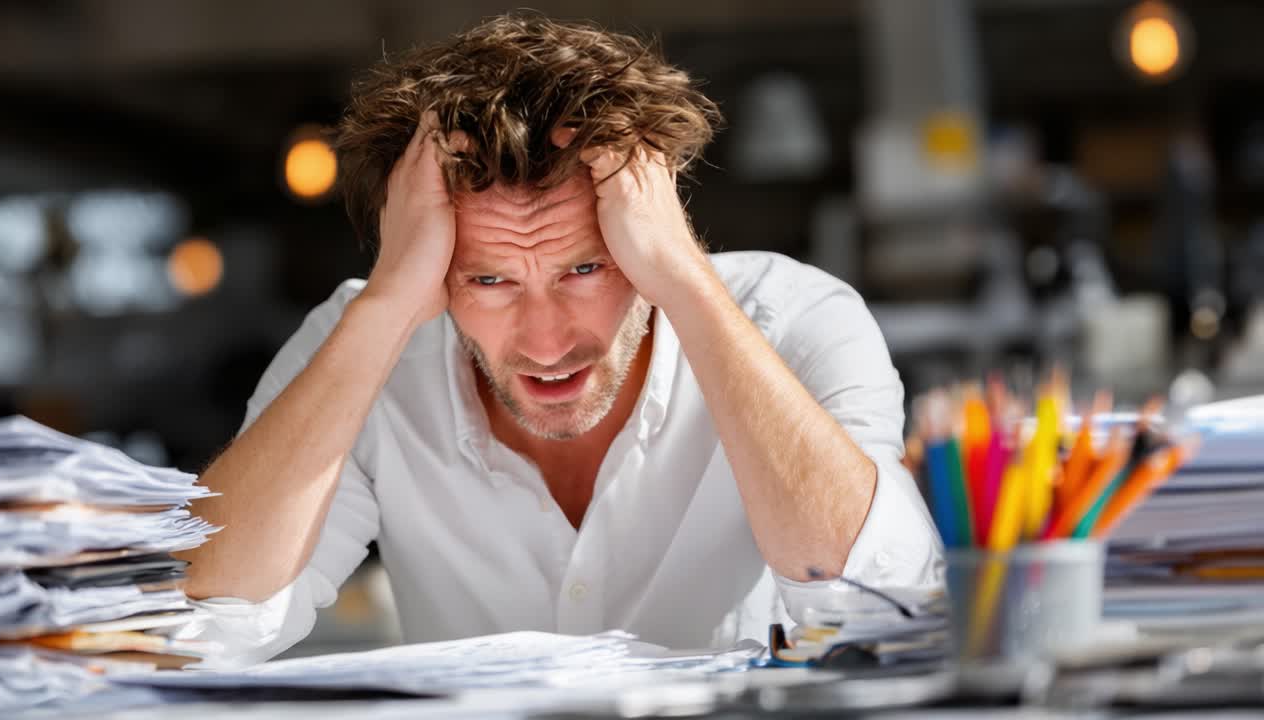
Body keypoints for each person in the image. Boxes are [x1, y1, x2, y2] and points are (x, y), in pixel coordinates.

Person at [176, 13, 942, 667]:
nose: (545, 342)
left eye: (585, 267)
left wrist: (679, 276)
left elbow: (886, 604)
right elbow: (204, 624)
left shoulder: (797, 319)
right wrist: (385, 302)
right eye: (488, 281)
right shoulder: (364, 339)